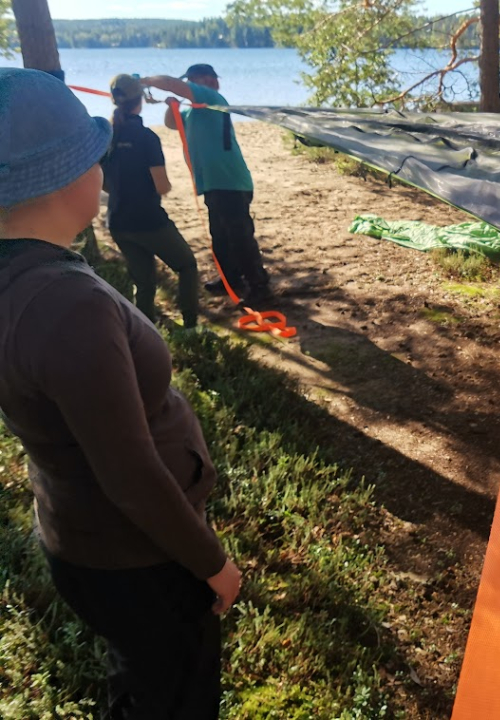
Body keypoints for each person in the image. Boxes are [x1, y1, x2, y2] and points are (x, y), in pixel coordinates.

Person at [0, 68, 241, 718]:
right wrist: (211, 562)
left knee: (140, 683)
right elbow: (130, 475)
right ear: (64, 179)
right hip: (138, 559)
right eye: (94, 159)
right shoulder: (65, 306)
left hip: (85, 540)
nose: (102, 172)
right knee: (175, 696)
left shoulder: (25, 273)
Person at [139, 64, 272, 306]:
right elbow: (171, 123)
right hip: (213, 183)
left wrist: (145, 81)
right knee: (220, 237)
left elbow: (172, 84)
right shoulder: (194, 111)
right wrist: (172, 105)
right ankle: (230, 279)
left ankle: (259, 286)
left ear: (208, 81)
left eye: (192, 80)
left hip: (230, 181)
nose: (188, 85)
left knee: (240, 237)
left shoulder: (212, 99)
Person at [101, 73, 200, 329]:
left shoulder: (106, 136)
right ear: (140, 100)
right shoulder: (147, 138)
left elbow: (103, 184)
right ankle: (190, 328)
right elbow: (162, 186)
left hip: (117, 220)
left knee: (144, 281)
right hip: (148, 220)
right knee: (187, 265)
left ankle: (144, 331)